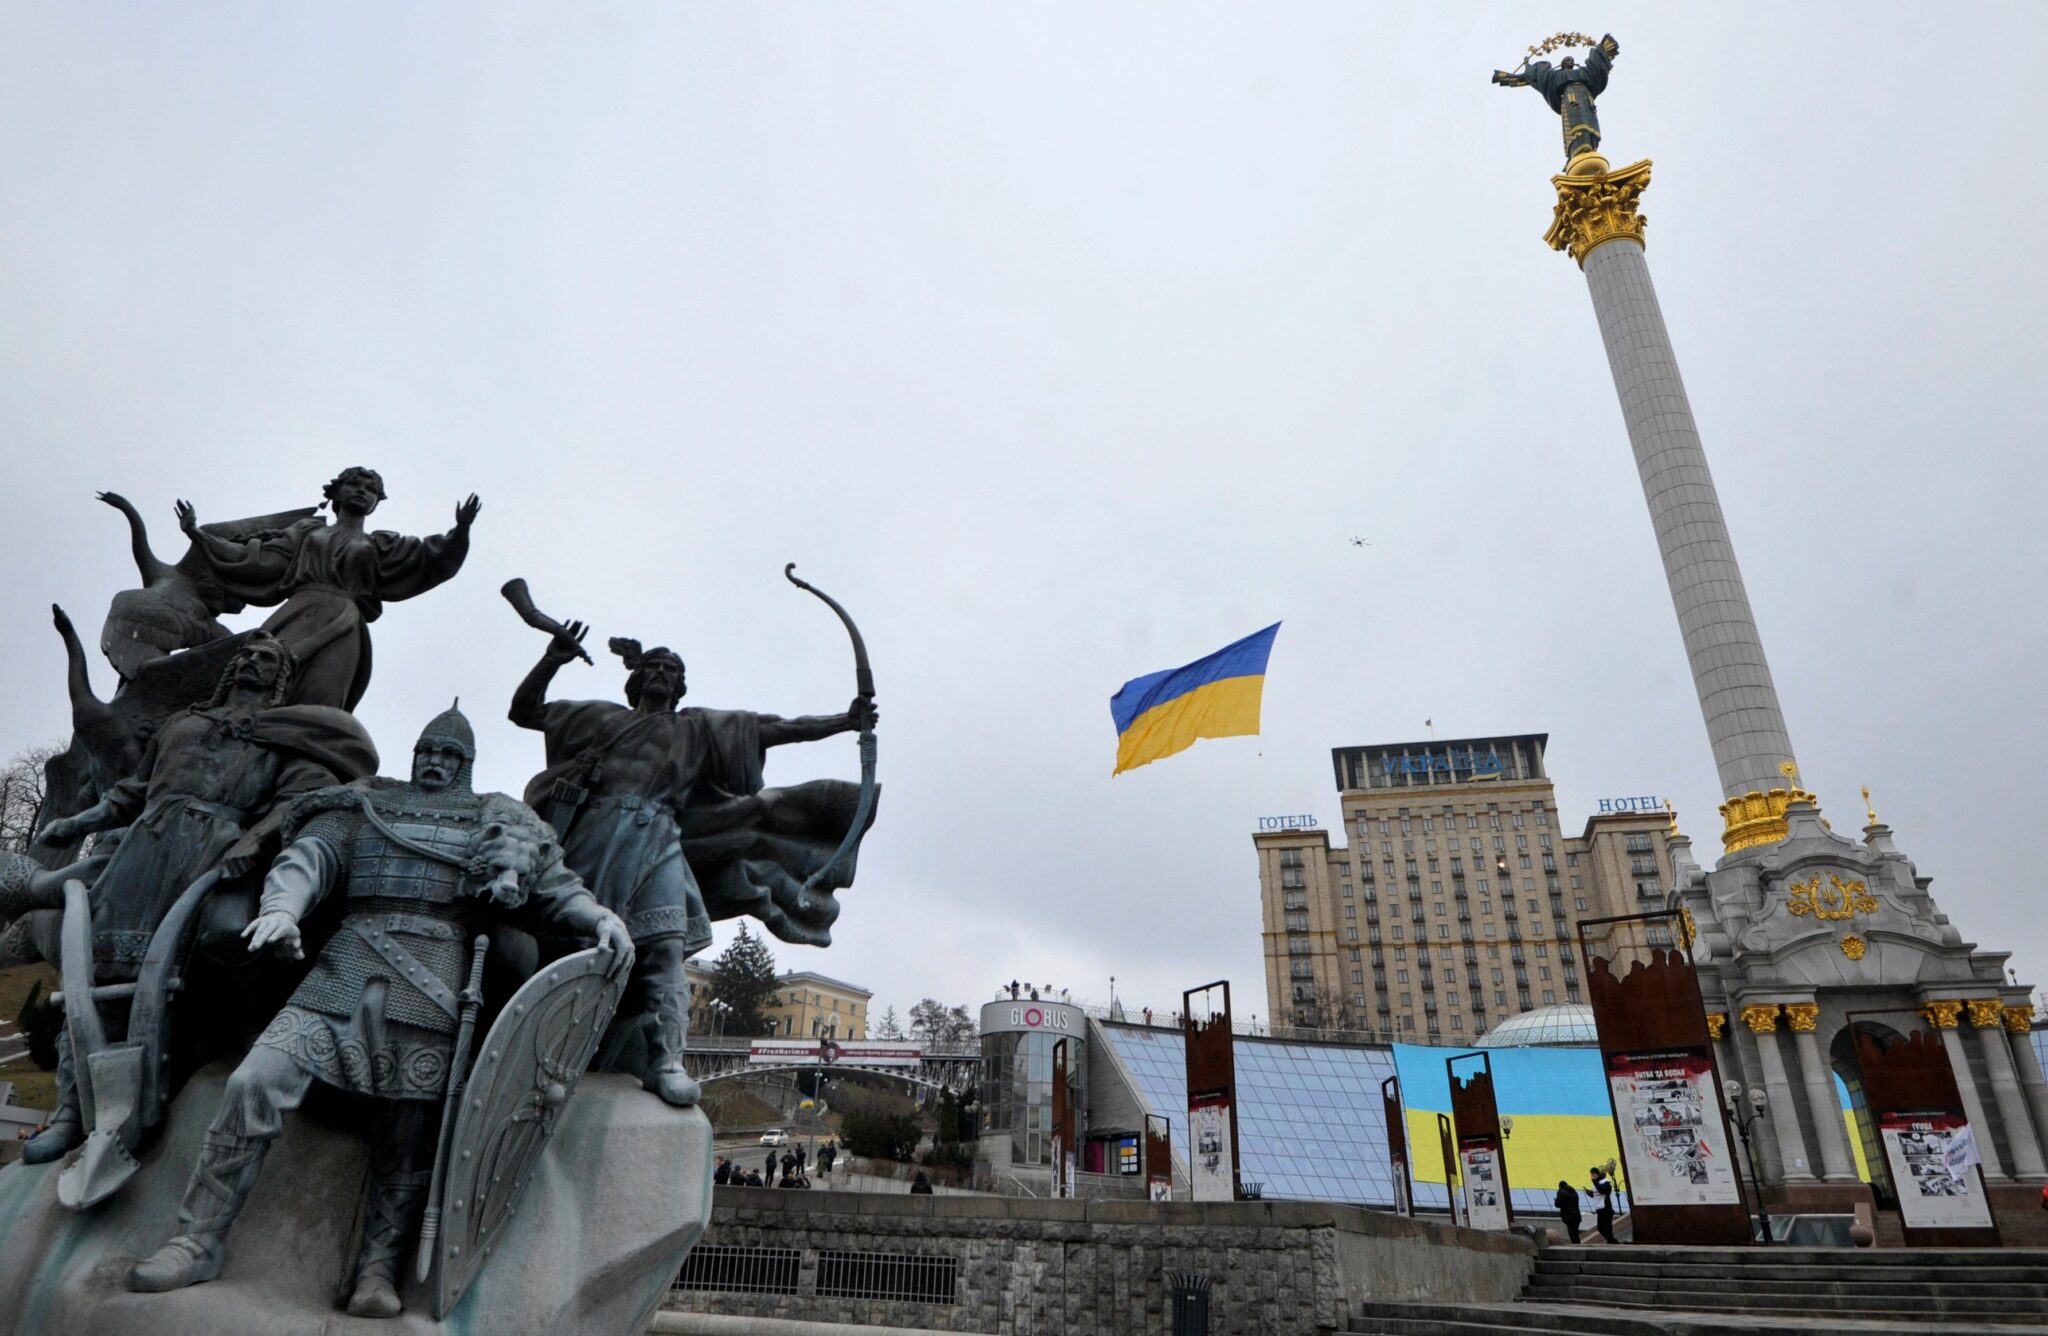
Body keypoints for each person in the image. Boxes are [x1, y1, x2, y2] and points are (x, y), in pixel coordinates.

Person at [124, 704, 633, 1318]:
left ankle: (376, 1270)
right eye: (426, 750)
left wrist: (599, 917)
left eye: (449, 755)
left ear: (467, 765)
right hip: (344, 969)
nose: (434, 763)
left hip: (435, 986)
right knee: (253, 1082)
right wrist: (283, 906)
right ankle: (195, 1239)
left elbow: (554, 889)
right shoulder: (364, 807)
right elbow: (308, 860)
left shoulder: (495, 821)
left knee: (407, 1137)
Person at [25, 633, 376, 1164]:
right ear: (232, 668)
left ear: (282, 678)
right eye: (249, 655)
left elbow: (305, 800)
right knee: (94, 972)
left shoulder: (290, 735)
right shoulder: (182, 724)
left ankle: (213, 1069)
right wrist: (78, 820)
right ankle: (73, 1110)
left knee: (218, 949)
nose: (255, 663)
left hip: (216, 855)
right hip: (144, 850)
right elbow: (132, 795)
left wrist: (254, 841)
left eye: (269, 660)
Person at [510, 626, 877, 1106]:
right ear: (636, 679)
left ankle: (666, 1063)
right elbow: (524, 712)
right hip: (591, 840)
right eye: (654, 668)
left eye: (672, 671)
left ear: (681, 687)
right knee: (570, 948)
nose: (662, 675)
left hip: (658, 839)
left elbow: (778, 727)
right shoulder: (599, 719)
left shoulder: (697, 729)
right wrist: (552, 658)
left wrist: (842, 722)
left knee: (664, 949)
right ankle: (549, 1050)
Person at [175, 469, 478, 710]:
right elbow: (258, 558)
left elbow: (431, 557)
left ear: (376, 502)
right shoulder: (308, 531)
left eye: (370, 489)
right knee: (253, 681)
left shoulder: (382, 545)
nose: (362, 491)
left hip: (343, 625)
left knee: (320, 701)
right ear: (337, 492)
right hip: (296, 614)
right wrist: (197, 534)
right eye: (354, 484)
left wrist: (461, 530)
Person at [1590, 1166, 1617, 1244]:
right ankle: (1612, 1241)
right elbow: (1596, 1194)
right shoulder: (1596, 1184)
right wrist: (1590, 1193)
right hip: (1600, 1208)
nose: (1592, 1176)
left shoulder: (1606, 1182)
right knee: (1600, 1227)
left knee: (1607, 1228)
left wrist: (1595, 1181)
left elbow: (1603, 1190)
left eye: (1594, 1174)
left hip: (1607, 1208)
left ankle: (1612, 1242)